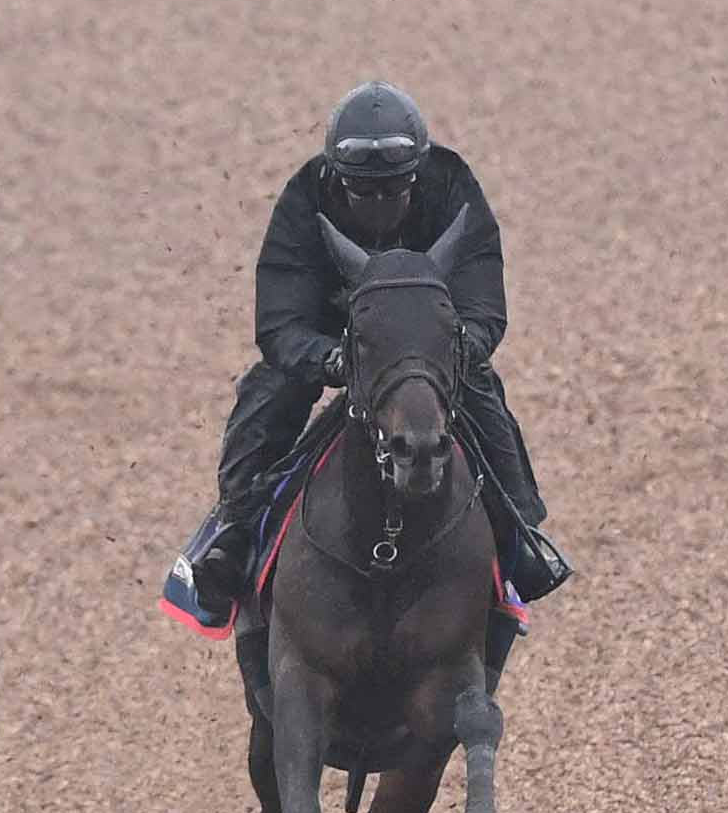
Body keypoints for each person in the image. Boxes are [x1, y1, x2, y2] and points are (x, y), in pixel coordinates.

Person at [181, 79, 569, 619]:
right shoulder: (303, 199)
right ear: (337, 181)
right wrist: (332, 359)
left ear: (418, 176)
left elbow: (483, 308)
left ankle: (519, 531)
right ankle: (236, 528)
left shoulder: (453, 186)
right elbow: (279, 324)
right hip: (333, 335)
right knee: (270, 387)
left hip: (429, 338)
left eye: (395, 190)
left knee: (479, 389)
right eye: (364, 192)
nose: (380, 203)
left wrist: (453, 349)